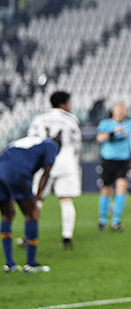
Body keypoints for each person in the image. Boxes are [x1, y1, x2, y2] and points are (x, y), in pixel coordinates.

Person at [27, 91, 81, 249]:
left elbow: (31, 140)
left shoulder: (39, 118)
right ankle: (67, 237)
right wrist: (73, 158)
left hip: (44, 161)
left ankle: (30, 235)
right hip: (65, 161)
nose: (70, 105)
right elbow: (77, 144)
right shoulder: (71, 119)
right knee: (66, 200)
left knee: (37, 199)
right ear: (63, 104)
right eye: (69, 102)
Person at [0, 135, 61, 273]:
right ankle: (31, 264)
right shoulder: (52, 145)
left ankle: (10, 264)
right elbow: (47, 172)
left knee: (7, 215)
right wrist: (37, 199)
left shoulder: (29, 141)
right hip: (16, 172)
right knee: (32, 215)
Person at [96, 103, 131, 231]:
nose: (120, 113)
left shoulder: (129, 124)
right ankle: (102, 219)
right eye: (118, 110)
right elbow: (100, 138)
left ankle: (116, 221)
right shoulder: (106, 123)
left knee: (122, 187)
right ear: (113, 111)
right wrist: (113, 133)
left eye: (122, 111)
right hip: (108, 160)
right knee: (106, 188)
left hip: (123, 161)